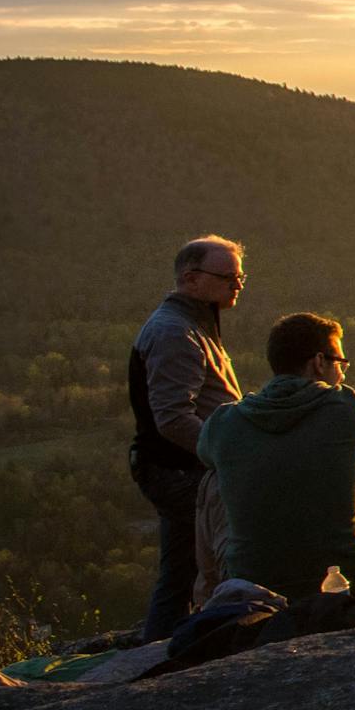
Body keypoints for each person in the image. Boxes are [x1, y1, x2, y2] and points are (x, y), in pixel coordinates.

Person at [197, 312, 355, 601]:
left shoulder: (224, 422)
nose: (344, 373)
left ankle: (210, 599)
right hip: (348, 586)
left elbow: (204, 455)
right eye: (341, 363)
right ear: (319, 363)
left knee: (212, 479)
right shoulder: (353, 407)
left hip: (253, 587)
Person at [127, 235, 246, 639]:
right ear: (191, 279)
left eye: (240, 276)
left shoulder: (194, 324)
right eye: (228, 276)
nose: (238, 284)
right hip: (183, 471)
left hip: (182, 468)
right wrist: (226, 455)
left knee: (181, 571)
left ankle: (163, 651)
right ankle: (166, 657)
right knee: (195, 570)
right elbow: (174, 418)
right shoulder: (175, 333)